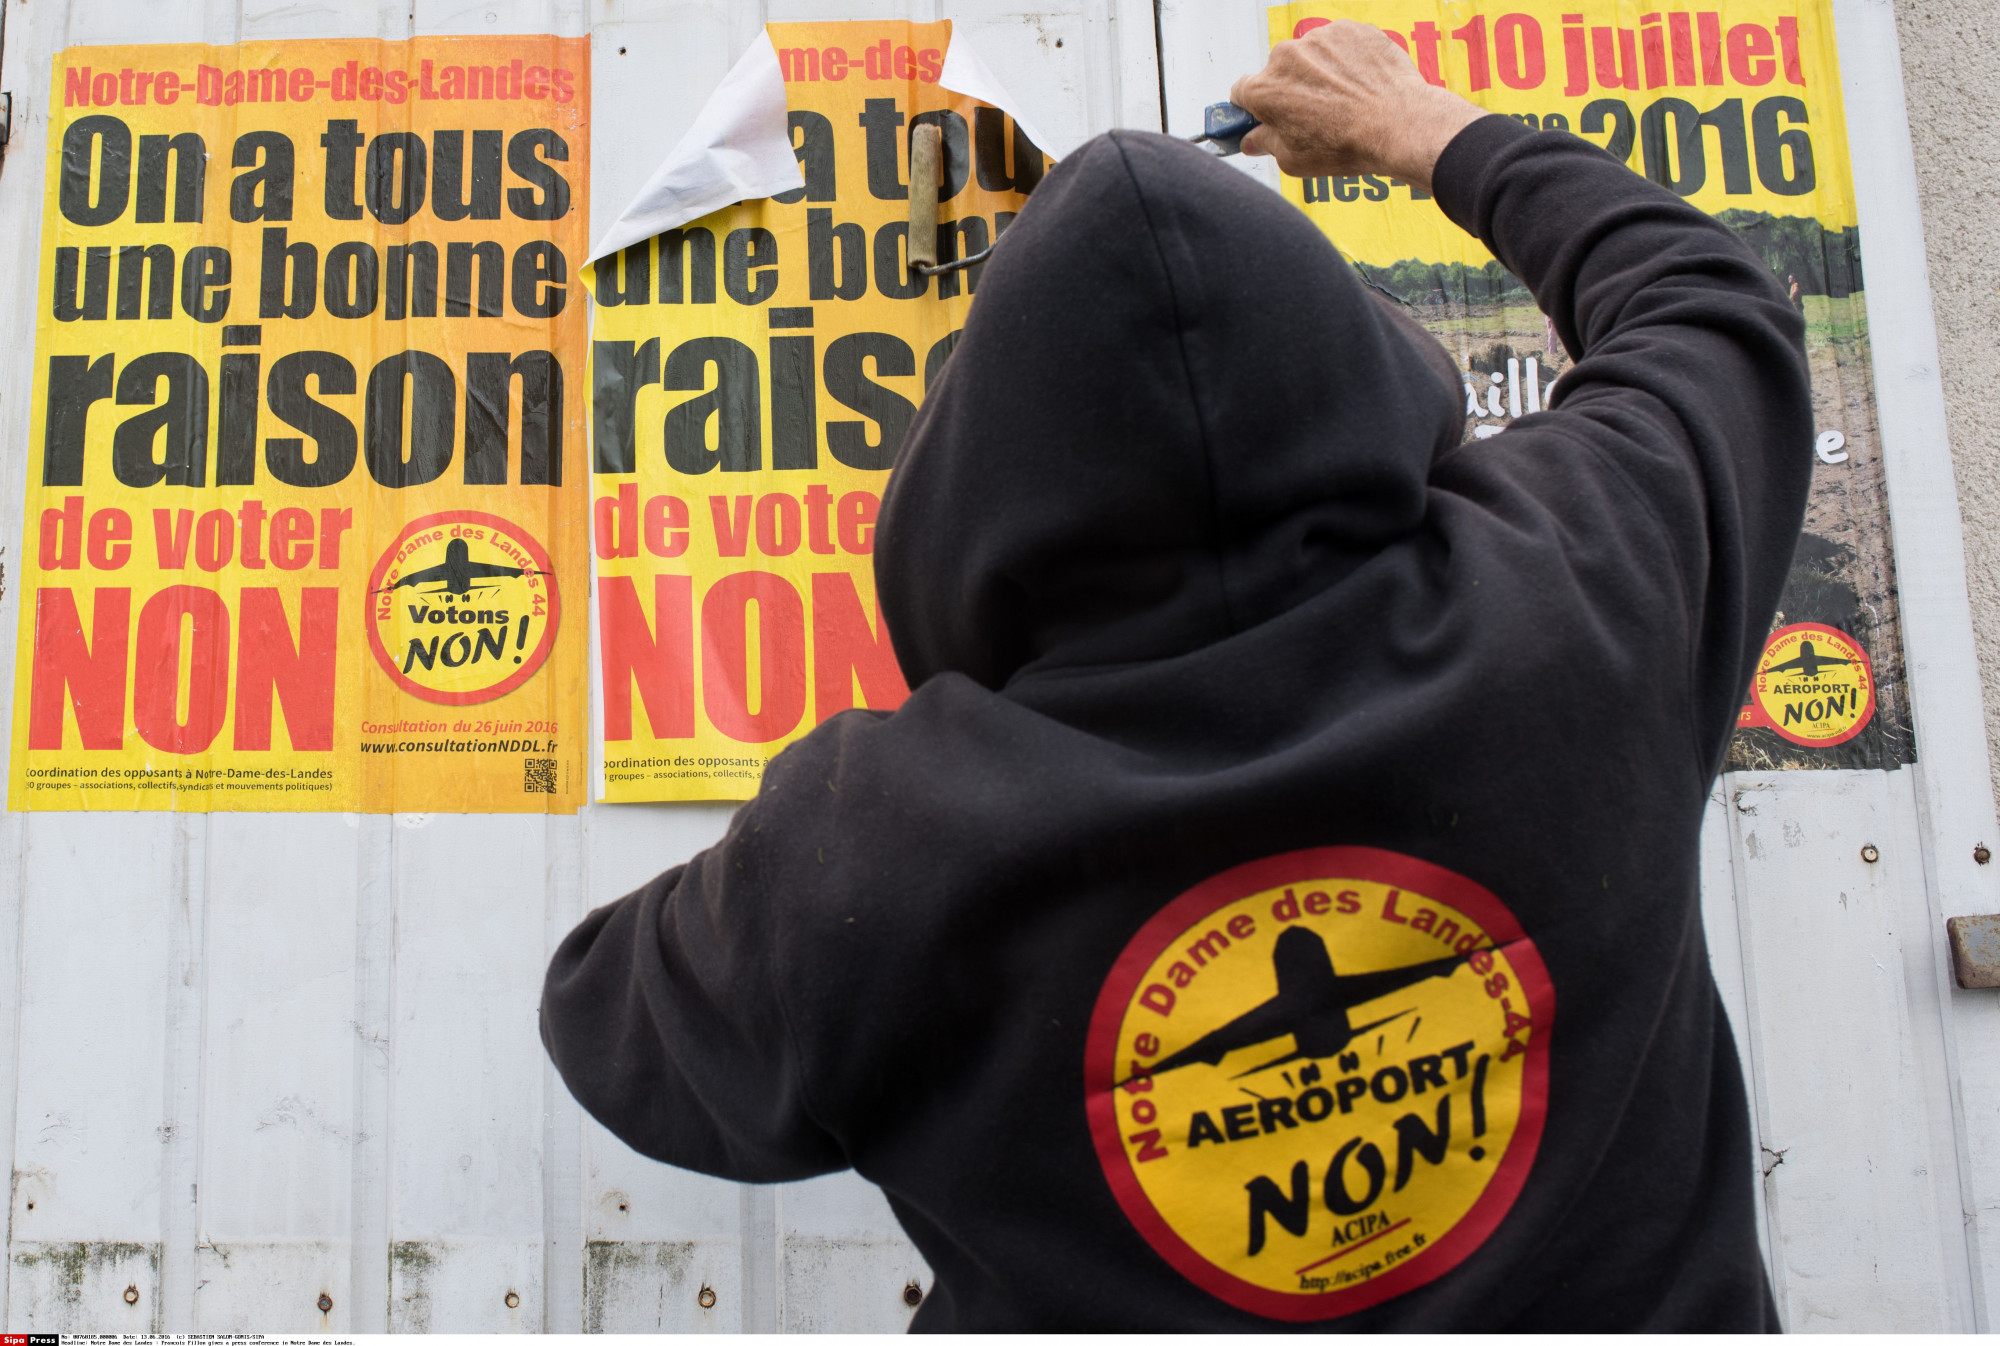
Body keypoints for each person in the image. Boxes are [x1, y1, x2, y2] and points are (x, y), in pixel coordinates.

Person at [542, 20, 1808, 1330]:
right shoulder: (1590, 586)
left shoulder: (877, 850)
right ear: (1365, 371)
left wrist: (857, 816)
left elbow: (606, 1017)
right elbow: (1709, 305)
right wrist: (1419, 125)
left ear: (970, 480)